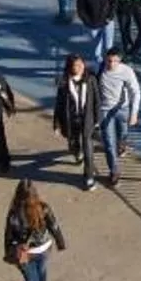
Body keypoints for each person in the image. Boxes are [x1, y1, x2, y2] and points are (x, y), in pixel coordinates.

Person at [1, 178, 66, 281]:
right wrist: (60, 242)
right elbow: (54, 226)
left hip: (25, 253)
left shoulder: (14, 214)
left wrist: (7, 251)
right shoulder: (43, 208)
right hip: (44, 249)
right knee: (42, 271)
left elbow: (8, 235)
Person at [92, 49, 140, 187]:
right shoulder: (98, 67)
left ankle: (122, 143)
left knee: (122, 133)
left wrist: (134, 113)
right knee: (108, 142)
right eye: (109, 60)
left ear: (120, 61)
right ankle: (114, 171)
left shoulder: (127, 71)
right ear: (105, 59)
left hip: (122, 109)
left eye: (115, 61)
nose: (111, 64)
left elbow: (135, 92)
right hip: (105, 110)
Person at [50, 54, 97, 189]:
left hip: (86, 119)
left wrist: (97, 119)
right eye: (75, 65)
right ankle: (77, 152)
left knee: (88, 146)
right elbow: (58, 104)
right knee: (73, 142)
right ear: (70, 67)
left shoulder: (91, 79)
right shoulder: (64, 83)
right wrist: (57, 124)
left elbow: (96, 100)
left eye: (81, 64)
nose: (79, 68)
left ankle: (89, 176)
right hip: (71, 119)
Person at [74, 0, 116, 64]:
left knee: (108, 46)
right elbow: (80, 8)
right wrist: (87, 21)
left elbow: (114, 1)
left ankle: (109, 63)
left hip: (107, 22)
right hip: (92, 24)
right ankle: (98, 65)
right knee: (96, 46)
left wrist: (110, 16)